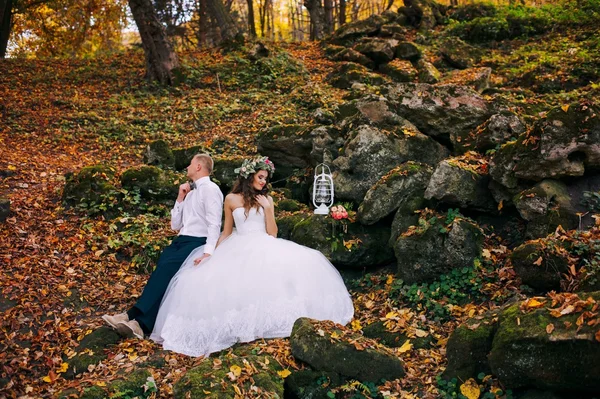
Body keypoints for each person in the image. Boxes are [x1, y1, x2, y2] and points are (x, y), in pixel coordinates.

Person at [150, 156, 354, 357]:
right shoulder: (231, 199)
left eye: (266, 178)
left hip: (263, 242)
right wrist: (209, 253)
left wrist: (267, 208)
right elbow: (226, 231)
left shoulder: (268, 200)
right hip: (237, 244)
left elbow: (272, 233)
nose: (264, 181)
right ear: (249, 176)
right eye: (261, 177)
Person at [102, 153, 224, 339]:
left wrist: (208, 252)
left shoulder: (211, 189)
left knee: (165, 272)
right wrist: (180, 198)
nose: (187, 167)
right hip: (181, 240)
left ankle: (139, 323)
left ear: (199, 166)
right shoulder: (189, 191)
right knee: (161, 274)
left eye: (191, 164)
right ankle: (131, 316)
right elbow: (175, 225)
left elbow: (214, 223)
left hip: (196, 242)